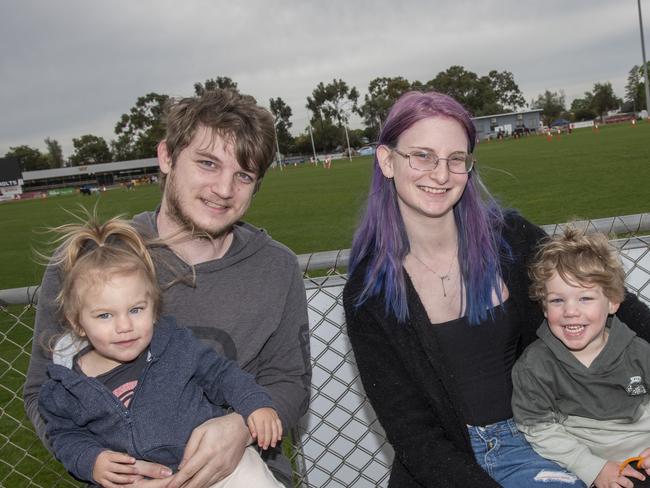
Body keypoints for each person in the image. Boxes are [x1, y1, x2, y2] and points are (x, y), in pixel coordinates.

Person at [342, 90, 650, 488]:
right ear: (387, 160)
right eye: (422, 155)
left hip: (547, 433)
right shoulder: (370, 292)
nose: (440, 174)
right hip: (449, 461)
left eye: (456, 159)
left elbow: (618, 307)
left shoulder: (511, 240)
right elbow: (414, 436)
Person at [24, 89, 311, 488]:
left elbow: (290, 382)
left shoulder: (276, 266)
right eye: (208, 164)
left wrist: (240, 429)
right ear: (167, 157)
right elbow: (43, 391)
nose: (224, 189)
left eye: (243, 175)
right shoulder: (89, 264)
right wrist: (98, 463)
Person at [38, 215, 284, 488]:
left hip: (216, 468)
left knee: (252, 478)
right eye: (104, 315)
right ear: (77, 323)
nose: (124, 326)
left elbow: (221, 374)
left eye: (135, 310)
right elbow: (65, 435)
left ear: (154, 309)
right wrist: (91, 461)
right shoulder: (66, 387)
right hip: (138, 482)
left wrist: (255, 403)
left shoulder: (175, 346)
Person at [512, 227, 650, 488]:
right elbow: (538, 428)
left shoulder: (638, 351)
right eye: (556, 301)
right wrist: (592, 468)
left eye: (585, 298)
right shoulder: (535, 366)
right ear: (543, 306)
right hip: (591, 467)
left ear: (612, 301)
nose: (570, 311)